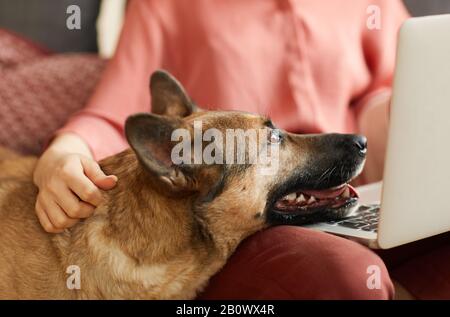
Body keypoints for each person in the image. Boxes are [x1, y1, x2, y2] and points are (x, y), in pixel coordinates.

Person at [32, 0, 450, 299]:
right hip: (249, 216)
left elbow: (385, 89)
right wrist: (63, 155)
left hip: (358, 188)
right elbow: (111, 115)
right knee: (351, 276)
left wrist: (406, 114)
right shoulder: (167, 5)